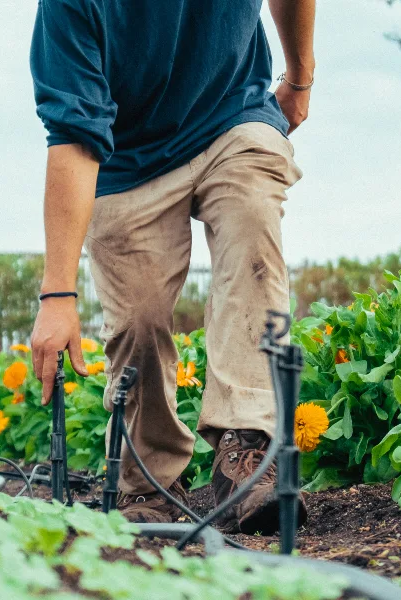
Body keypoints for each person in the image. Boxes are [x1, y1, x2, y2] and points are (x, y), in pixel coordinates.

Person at [29, 0, 316, 533]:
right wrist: (57, 295)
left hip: (232, 118)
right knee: (137, 319)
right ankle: (150, 479)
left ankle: (250, 451)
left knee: (253, 226)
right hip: (125, 157)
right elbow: (72, 133)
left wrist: (299, 78)